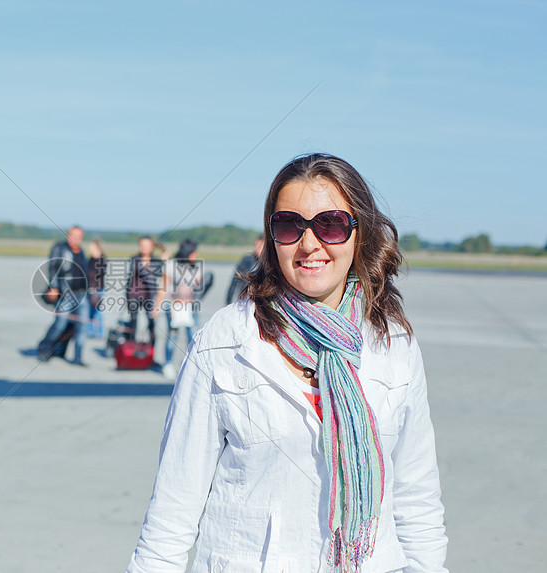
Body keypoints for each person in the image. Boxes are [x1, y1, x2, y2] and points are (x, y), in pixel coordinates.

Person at [126, 154, 447, 572]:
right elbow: (174, 506)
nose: (309, 244)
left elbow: (416, 496)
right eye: (290, 225)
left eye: (330, 224)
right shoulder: (224, 341)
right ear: (271, 236)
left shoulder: (394, 345)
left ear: (359, 233)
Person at [38, 226, 89, 365]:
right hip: (66, 294)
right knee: (60, 324)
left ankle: (77, 357)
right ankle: (45, 347)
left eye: (79, 236)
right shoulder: (60, 248)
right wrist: (54, 287)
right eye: (73, 235)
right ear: (68, 235)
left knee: (81, 327)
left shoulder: (81, 251)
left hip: (82, 294)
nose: (76, 238)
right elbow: (53, 267)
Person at [155, 238, 201, 379]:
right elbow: (163, 287)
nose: (195, 256)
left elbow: (197, 286)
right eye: (193, 253)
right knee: (172, 335)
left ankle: (190, 364)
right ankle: (168, 364)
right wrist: (157, 305)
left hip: (190, 307)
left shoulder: (195, 267)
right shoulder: (171, 265)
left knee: (193, 336)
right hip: (173, 306)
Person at [126, 236, 165, 348]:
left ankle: (151, 350)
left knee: (151, 323)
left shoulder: (156, 261)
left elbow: (160, 277)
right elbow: (130, 278)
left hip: (149, 296)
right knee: (133, 322)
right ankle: (131, 349)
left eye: (147, 245)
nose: (144, 248)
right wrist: (126, 297)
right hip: (134, 294)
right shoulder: (134, 259)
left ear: (152, 247)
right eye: (142, 245)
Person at [225, 234, 265, 305]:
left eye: (261, 246)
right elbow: (234, 281)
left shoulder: (270, 263)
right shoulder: (247, 260)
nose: (257, 249)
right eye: (257, 246)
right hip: (244, 300)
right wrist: (228, 302)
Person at [87, 239, 108, 339]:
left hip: (98, 289)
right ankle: (90, 331)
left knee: (98, 311)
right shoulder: (91, 259)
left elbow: (98, 276)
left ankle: (100, 332)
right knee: (90, 311)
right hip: (90, 288)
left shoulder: (102, 259)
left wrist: (95, 289)